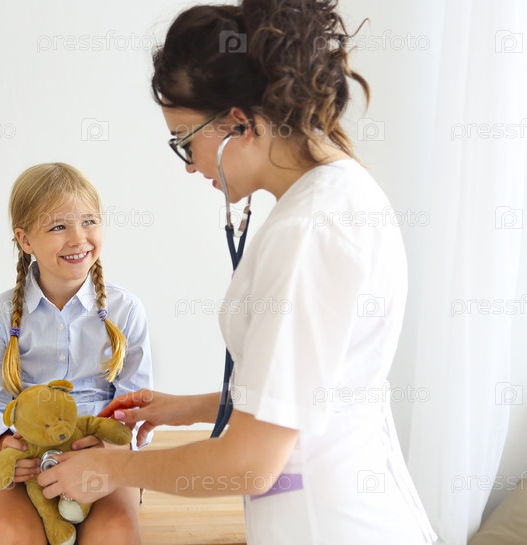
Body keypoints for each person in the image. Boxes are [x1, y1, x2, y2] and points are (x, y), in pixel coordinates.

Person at [36, 1, 439, 544]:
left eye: (185, 140)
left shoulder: (308, 234)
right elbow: (311, 393)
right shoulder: (342, 193)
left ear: (241, 123)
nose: (188, 164)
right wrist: (187, 409)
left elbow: (250, 464)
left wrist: (112, 469)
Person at [0, 162, 153, 545]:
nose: (78, 238)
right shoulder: (0, 314)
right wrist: (3, 445)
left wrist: (107, 446)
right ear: (25, 240)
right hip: (24, 459)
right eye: (58, 227)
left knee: (115, 533)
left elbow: (135, 404)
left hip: (101, 456)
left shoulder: (126, 309)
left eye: (89, 222)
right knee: (6, 535)